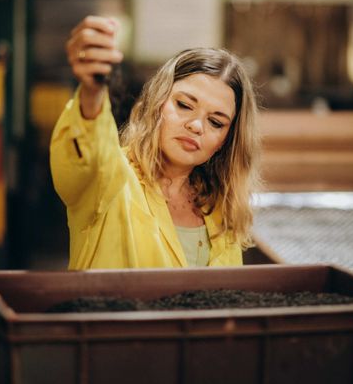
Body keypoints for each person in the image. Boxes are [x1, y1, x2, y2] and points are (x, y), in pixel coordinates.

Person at [50, 16, 261, 269]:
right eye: (184, 105)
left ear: (226, 141)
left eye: (216, 122)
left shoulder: (222, 209)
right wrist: (92, 95)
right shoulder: (111, 184)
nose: (196, 125)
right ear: (156, 103)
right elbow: (85, 160)